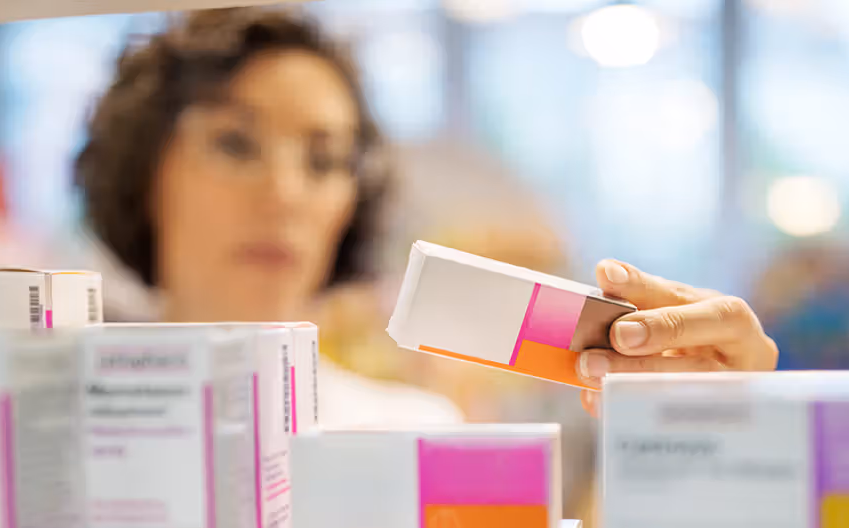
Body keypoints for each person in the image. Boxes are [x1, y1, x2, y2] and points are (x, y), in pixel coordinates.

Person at [74, 8, 777, 427]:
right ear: (141, 170)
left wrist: (720, 439)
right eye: (234, 143)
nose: (285, 194)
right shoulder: (50, 426)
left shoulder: (412, 437)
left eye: (323, 160)